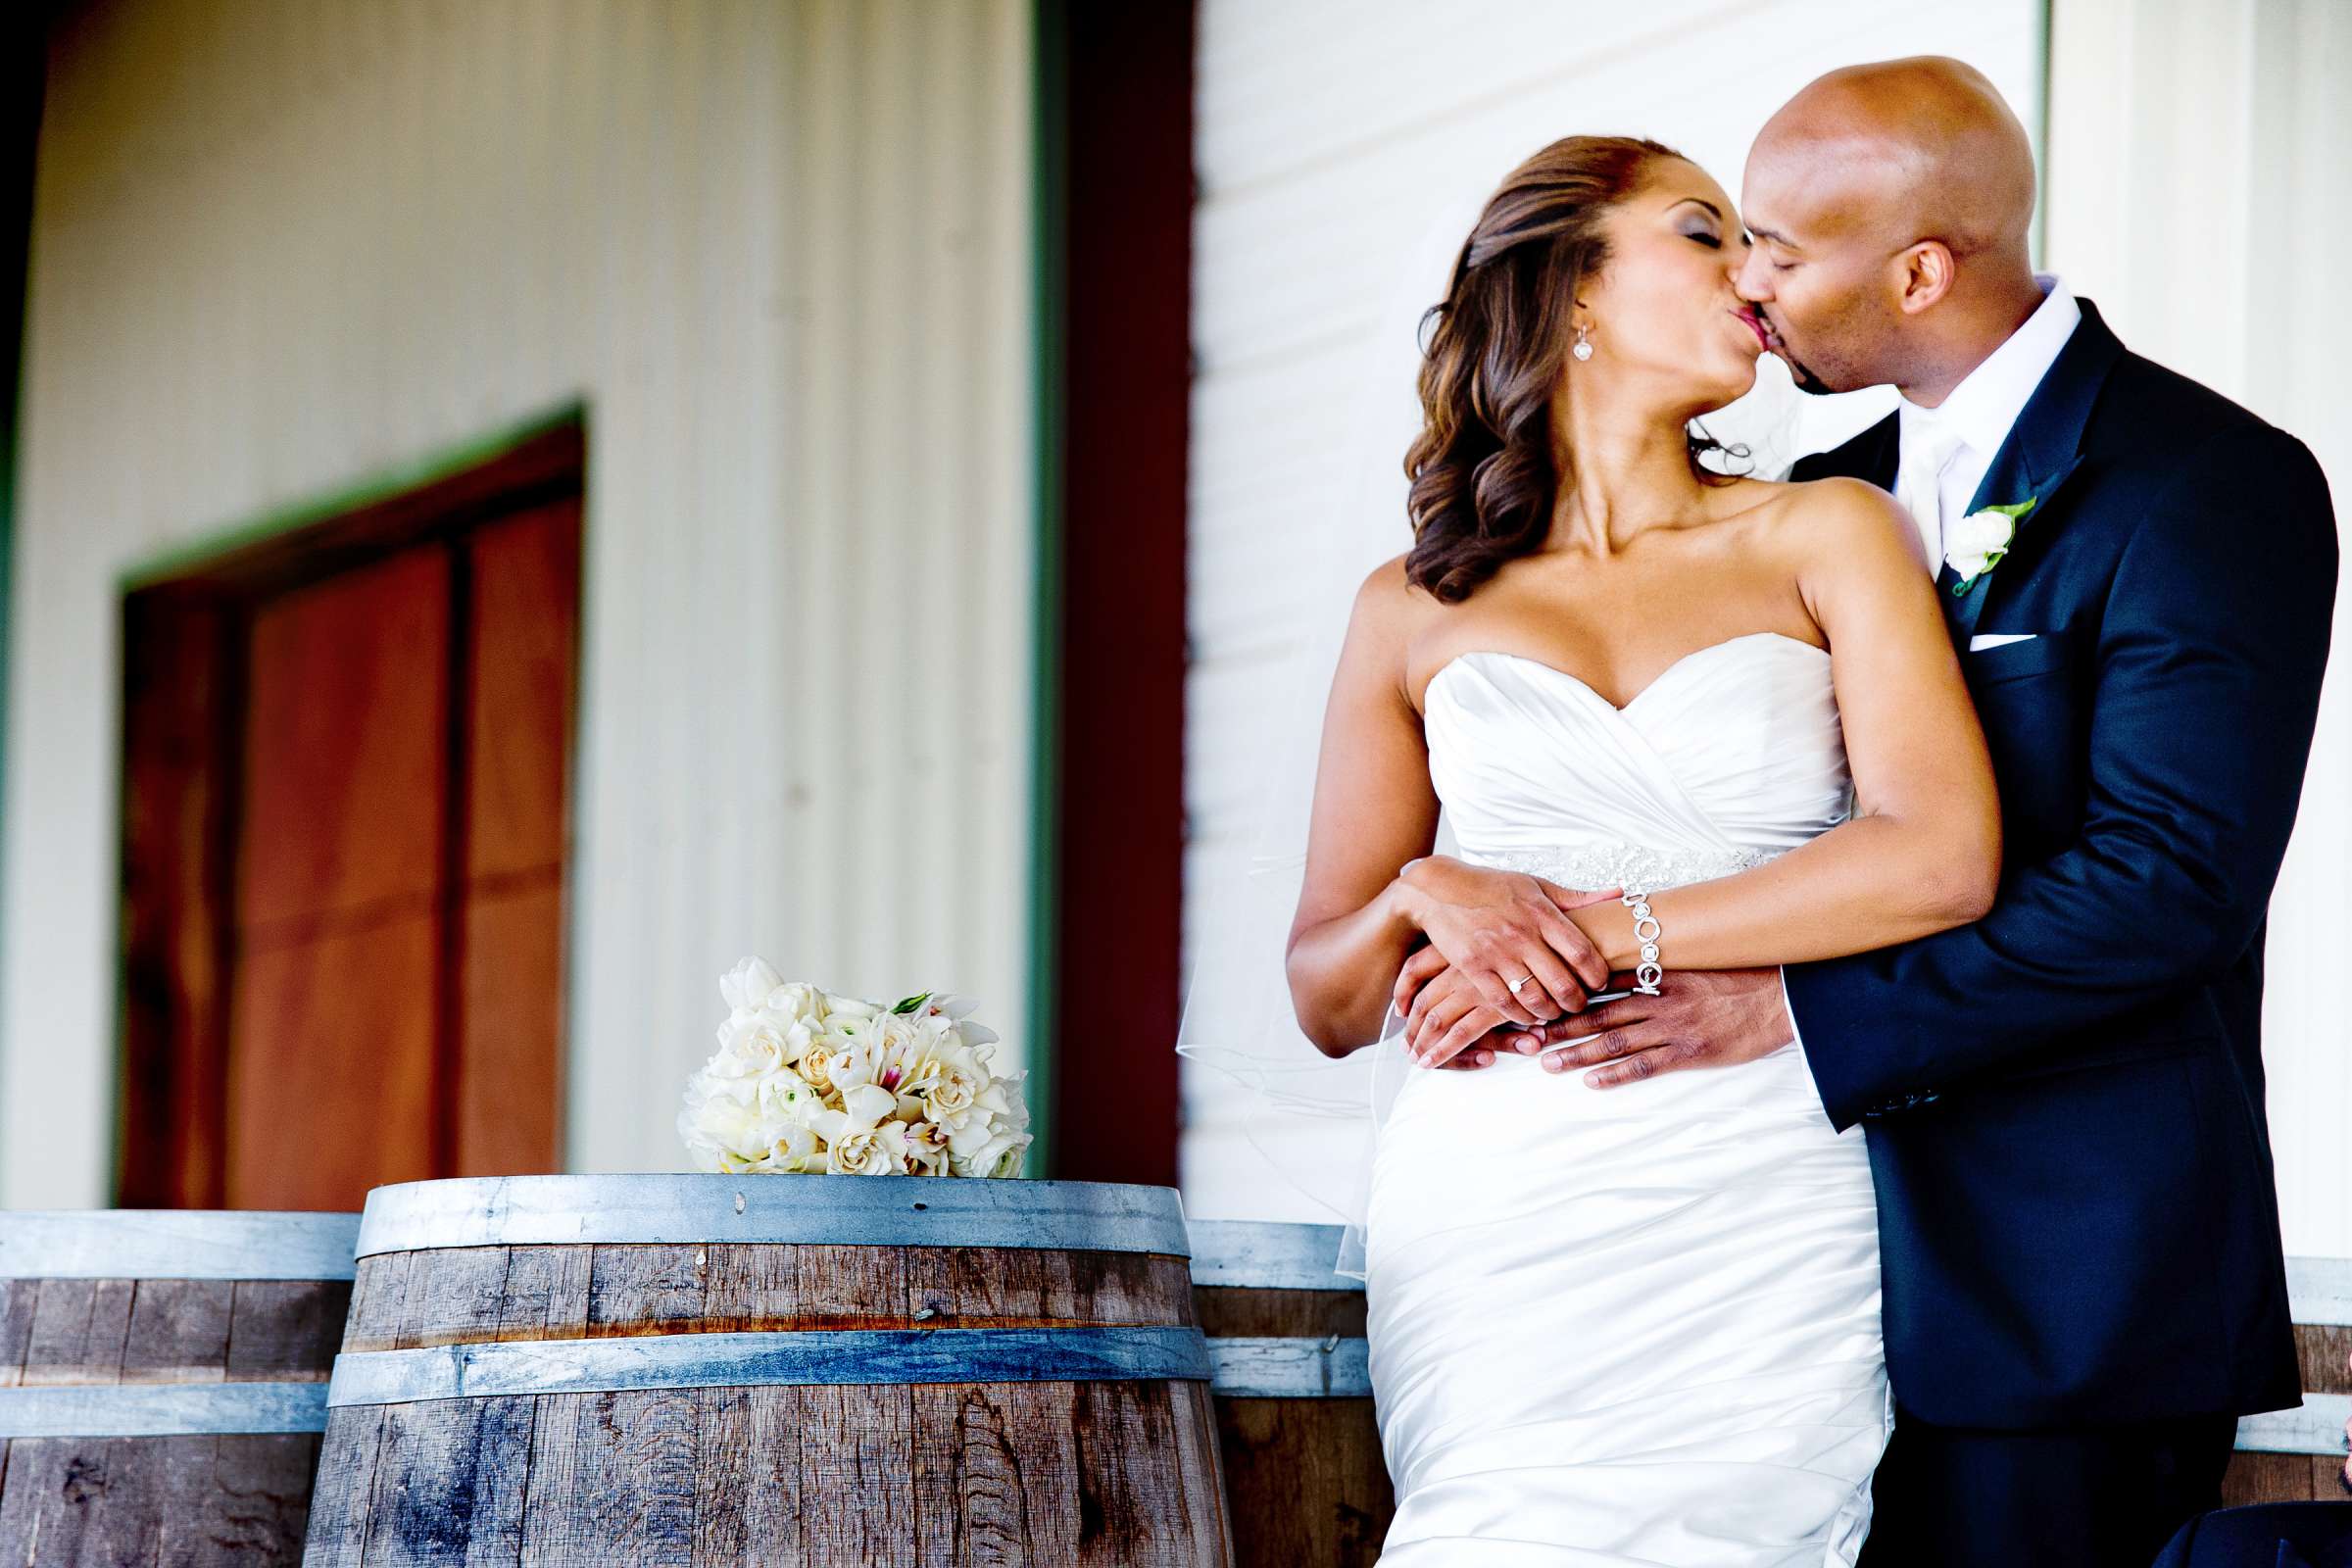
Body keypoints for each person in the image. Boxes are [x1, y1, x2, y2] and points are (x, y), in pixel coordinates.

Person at [1413, 58, 2337, 1567]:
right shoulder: (1820, 502)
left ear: (1919, 267)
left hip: (2060, 1280)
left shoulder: (2204, 482)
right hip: (1767, 1272)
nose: (1751, 286)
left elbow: (2170, 882)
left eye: (1775, 244)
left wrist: (1797, 1007)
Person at [1280, 126, 2005, 1560]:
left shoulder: (1829, 535)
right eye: (1703, 231)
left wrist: (1605, 929)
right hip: (1498, 1191)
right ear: (1572, 295)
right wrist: (1432, 890)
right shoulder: (1412, 610)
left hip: (1758, 1177)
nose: (1757, 270)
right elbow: (1326, 997)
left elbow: (1940, 855)